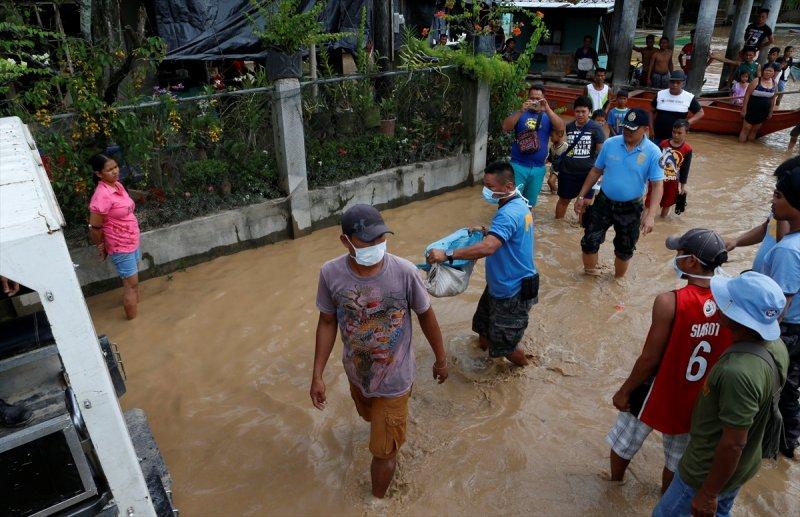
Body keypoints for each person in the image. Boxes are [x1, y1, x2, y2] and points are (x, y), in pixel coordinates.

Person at [311, 204, 448, 499]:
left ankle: (377, 503)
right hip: (357, 375)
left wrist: (441, 359)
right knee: (368, 417)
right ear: (346, 241)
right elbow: (326, 321)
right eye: (367, 241)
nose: (376, 246)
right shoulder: (330, 273)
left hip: (395, 380)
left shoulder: (405, 272)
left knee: (383, 454)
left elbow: (426, 316)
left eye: (380, 238)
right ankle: (388, 431)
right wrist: (317, 375)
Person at [652, 271, 789, 517]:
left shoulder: (737, 372)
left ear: (736, 317)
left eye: (726, 301)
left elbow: (734, 443)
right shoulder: (777, 347)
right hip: (741, 468)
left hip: (704, 475)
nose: (717, 302)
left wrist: (707, 493)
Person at [608, 229, 732, 493]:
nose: (676, 258)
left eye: (679, 254)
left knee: (625, 440)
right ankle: (667, 504)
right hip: (698, 396)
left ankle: (614, 485)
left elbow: (649, 358)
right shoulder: (731, 302)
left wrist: (624, 390)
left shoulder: (669, 301)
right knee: (678, 460)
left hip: (657, 389)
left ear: (691, 262)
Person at [427, 162, 538, 367]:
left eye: (491, 186)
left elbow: (488, 248)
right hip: (501, 284)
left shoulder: (508, 214)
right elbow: (506, 237)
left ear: (508, 186)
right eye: (485, 185)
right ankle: (485, 364)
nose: (486, 190)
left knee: (506, 347)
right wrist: (488, 231)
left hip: (512, 290)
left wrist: (447, 254)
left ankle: (527, 370)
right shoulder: (518, 204)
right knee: (483, 329)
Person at [575, 108, 664, 278]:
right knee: (589, 242)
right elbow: (596, 171)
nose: (627, 132)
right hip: (604, 202)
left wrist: (651, 215)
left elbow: (658, 186)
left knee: (625, 249)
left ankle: (617, 283)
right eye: (625, 128)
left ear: (645, 129)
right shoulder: (610, 144)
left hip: (631, 208)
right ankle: (589, 278)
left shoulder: (653, 152)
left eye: (632, 129)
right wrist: (582, 196)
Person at [751, 164, 800, 459]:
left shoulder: (788, 250)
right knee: (789, 387)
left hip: (787, 331)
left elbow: (779, 307)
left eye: (778, 195)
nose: (772, 200)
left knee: (779, 389)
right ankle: (788, 444)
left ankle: (780, 445)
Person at [88, 154, 141, 320]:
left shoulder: (117, 185)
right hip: (120, 245)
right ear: (99, 174)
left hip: (132, 240)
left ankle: (136, 313)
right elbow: (95, 227)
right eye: (109, 169)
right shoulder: (101, 195)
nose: (115, 171)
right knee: (131, 285)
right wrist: (101, 246)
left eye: (116, 167)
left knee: (133, 283)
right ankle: (133, 324)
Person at [501, 84, 566, 209]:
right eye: (532, 98)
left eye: (538, 98)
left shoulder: (548, 116)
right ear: (527, 98)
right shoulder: (520, 114)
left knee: (529, 204)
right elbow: (505, 127)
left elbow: (561, 128)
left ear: (544, 99)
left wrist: (547, 108)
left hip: (538, 168)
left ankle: (524, 226)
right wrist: (521, 110)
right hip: (517, 165)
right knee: (510, 201)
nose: (535, 101)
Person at [555, 96, 605, 220]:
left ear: (589, 112)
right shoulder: (570, 126)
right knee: (564, 200)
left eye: (584, 111)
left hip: (588, 173)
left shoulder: (596, 128)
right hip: (568, 172)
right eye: (577, 111)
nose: (580, 114)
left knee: (585, 204)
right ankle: (558, 225)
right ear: (574, 111)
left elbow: (602, 153)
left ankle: (581, 229)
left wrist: (602, 173)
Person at [646, 119, 693, 218]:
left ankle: (662, 221)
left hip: (673, 182)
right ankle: (645, 218)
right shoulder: (663, 144)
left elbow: (685, 169)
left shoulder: (687, 149)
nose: (676, 135)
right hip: (658, 179)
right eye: (674, 132)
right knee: (649, 202)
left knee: (667, 204)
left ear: (686, 133)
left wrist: (683, 187)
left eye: (679, 133)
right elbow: (655, 161)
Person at [650, 70, 705, 143]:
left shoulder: (689, 97)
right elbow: (651, 111)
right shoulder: (660, 94)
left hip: (676, 139)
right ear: (669, 82)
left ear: (683, 84)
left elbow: (700, 113)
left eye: (678, 83)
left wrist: (687, 123)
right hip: (657, 136)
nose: (675, 85)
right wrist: (651, 129)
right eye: (672, 82)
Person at [739, 63, 778, 143]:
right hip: (752, 109)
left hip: (764, 112)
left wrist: (771, 112)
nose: (768, 72)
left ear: (774, 73)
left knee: (754, 130)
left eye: (770, 71)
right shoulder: (756, 81)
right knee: (746, 129)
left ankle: (747, 151)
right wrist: (744, 109)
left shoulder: (774, 83)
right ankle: (740, 147)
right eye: (766, 70)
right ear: (763, 71)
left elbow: (773, 99)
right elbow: (747, 95)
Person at [547, 129, 567, 193]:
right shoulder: (552, 147)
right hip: (553, 168)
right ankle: (553, 198)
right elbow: (549, 159)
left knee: (550, 181)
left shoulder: (565, 146)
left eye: (552, 136)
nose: (550, 138)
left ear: (559, 135)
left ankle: (559, 194)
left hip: (560, 168)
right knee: (551, 187)